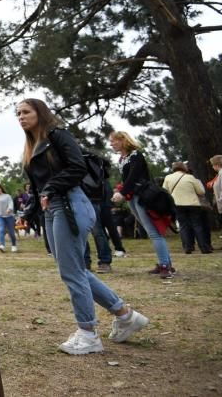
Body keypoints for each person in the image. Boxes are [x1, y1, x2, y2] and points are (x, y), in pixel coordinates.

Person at [17, 99, 148, 355]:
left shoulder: (58, 135)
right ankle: (126, 315)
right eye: (18, 113)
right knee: (73, 269)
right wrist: (30, 210)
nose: (20, 117)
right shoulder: (32, 146)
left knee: (73, 272)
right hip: (52, 209)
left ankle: (88, 334)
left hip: (71, 204)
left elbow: (77, 167)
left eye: (26, 112)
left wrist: (51, 188)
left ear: (40, 113)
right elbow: (37, 186)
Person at [109, 130, 175, 277]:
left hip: (142, 197)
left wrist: (122, 192)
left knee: (154, 233)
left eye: (113, 141)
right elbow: (127, 179)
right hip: (133, 197)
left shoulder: (135, 155)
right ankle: (166, 263)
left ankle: (165, 266)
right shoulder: (123, 158)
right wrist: (122, 191)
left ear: (122, 140)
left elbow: (133, 177)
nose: (111, 144)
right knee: (151, 231)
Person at [163, 162, 212, 254]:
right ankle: (204, 248)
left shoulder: (168, 178)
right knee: (197, 225)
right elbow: (201, 192)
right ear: (184, 168)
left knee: (183, 226)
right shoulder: (190, 177)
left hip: (177, 204)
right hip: (193, 204)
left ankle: (187, 247)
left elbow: (165, 191)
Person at [0, 183, 18, 253]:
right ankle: (1, 245)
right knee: (1, 229)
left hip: (9, 216)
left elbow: (11, 203)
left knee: (11, 232)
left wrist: (10, 208)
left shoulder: (7, 196)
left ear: (1, 188)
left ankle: (14, 245)